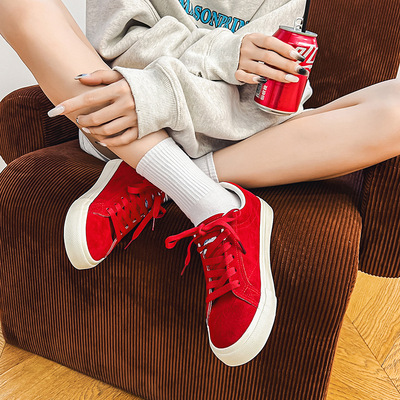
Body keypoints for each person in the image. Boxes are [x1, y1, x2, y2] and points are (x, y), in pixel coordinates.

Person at [0, 0, 399, 367]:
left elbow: (267, 103)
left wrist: (161, 95)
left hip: (228, 135)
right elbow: (116, 46)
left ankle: (164, 178)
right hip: (124, 123)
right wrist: (220, 56)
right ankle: (209, 201)